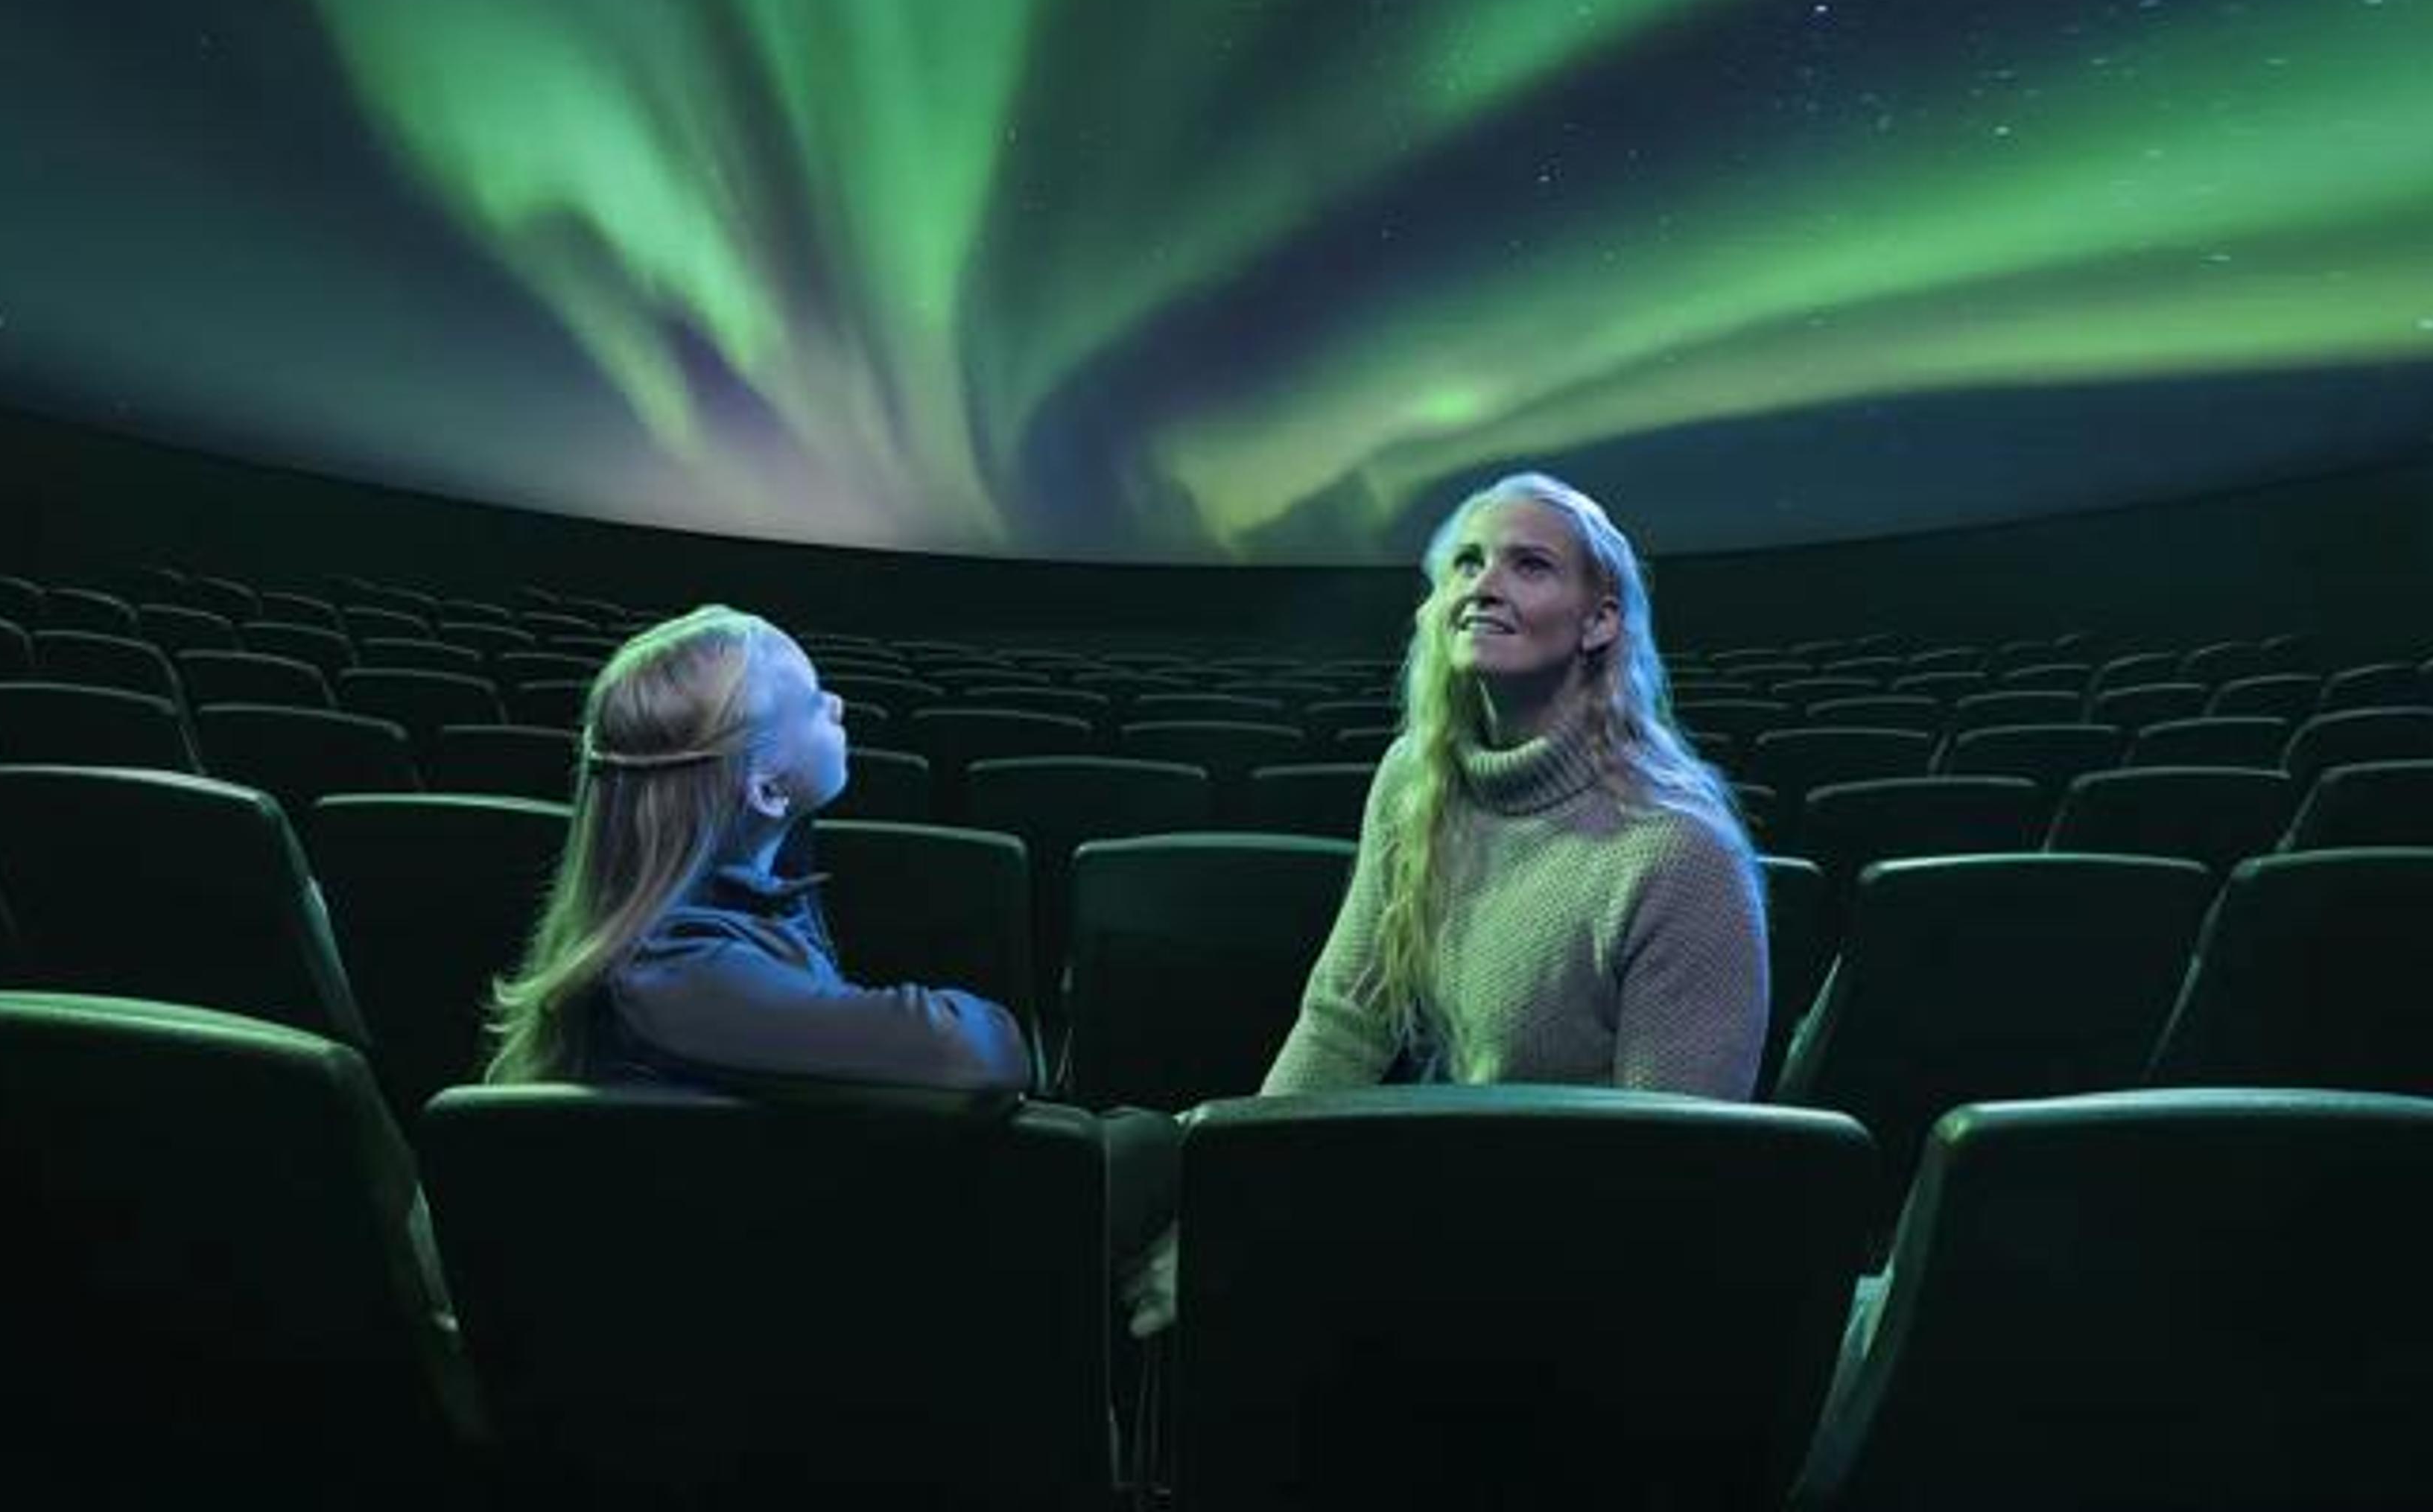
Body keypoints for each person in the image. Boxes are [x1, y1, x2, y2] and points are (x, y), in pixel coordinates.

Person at [1125, 470, 1766, 1334]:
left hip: (1569, 1263)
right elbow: (1345, 1019)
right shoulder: (1413, 781)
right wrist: (1225, 1213)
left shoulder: (1680, 854)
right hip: (1449, 1182)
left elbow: (1672, 1188)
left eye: (1528, 565)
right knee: (1129, 1162)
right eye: (1466, 563)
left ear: (1601, 620)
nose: (1484, 585)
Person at [483, 604, 1030, 1093]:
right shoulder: (674, 981)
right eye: (816, 702)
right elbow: (983, 1052)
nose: (838, 705)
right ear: (767, 790)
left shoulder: (718, 889)